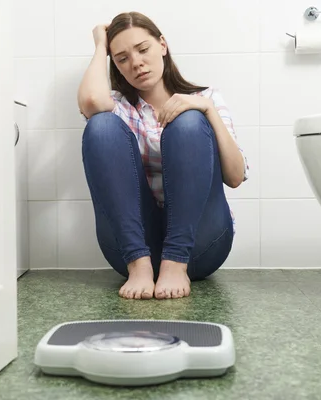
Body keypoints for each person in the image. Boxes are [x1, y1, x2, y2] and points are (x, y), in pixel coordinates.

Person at [77, 11, 249, 300]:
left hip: (199, 245)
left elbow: (234, 177)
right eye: (122, 58)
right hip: (132, 251)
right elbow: (93, 101)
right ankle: (140, 265)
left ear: (163, 46)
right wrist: (99, 46)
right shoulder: (118, 107)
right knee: (101, 125)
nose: (136, 63)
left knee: (189, 121)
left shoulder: (206, 97)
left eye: (143, 49)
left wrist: (205, 108)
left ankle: (175, 263)